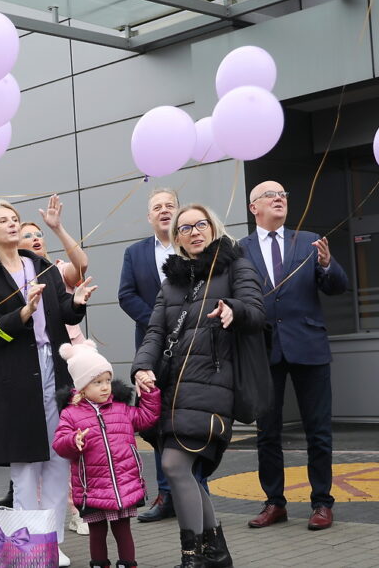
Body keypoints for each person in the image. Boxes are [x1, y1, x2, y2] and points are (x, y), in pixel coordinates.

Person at [131, 203, 266, 568]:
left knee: (175, 466)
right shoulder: (172, 280)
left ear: (213, 227)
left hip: (214, 385)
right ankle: (216, 554)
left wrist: (233, 310)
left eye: (200, 224)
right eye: (185, 228)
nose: (194, 232)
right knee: (185, 470)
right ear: (176, 238)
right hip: (174, 390)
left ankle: (192, 557)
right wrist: (142, 367)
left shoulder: (236, 264)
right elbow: (155, 332)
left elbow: (257, 311)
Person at [0, 199, 99, 567]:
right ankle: (30, 546)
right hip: (16, 376)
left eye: (15, 219)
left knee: (59, 460)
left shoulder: (43, 267)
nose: (12, 225)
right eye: (4, 222)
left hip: (54, 369)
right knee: (25, 467)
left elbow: (64, 310)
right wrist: (24, 311)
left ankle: (52, 541)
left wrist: (77, 301)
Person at [239, 181, 348, 531]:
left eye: (284, 195)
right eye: (270, 195)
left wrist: (329, 265)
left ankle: (321, 503)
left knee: (318, 431)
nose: (279, 199)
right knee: (267, 433)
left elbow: (337, 286)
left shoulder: (309, 241)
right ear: (254, 207)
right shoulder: (239, 250)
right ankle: (274, 503)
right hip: (264, 350)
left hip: (308, 346)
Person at [52, 340, 160, 568]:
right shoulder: (71, 415)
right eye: (97, 382)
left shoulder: (121, 409)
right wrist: (74, 440)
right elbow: (60, 444)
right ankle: (100, 564)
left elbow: (146, 418)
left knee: (123, 531)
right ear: (82, 387)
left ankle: (128, 563)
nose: (105, 387)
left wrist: (150, 394)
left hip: (122, 486)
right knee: (97, 533)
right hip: (92, 488)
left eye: (108, 380)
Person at [117, 187, 179, 523]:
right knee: (155, 423)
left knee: (190, 420)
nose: (164, 211)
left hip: (191, 349)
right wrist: (158, 322)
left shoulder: (193, 246)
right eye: (158, 207)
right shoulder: (135, 252)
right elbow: (126, 295)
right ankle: (165, 494)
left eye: (170, 205)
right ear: (149, 216)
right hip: (152, 352)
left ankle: (195, 491)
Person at [18, 193, 90, 345]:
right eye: (28, 236)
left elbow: (81, 264)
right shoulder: (15, 278)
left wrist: (57, 228)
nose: (35, 238)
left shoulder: (58, 269)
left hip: (71, 348)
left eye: (38, 234)